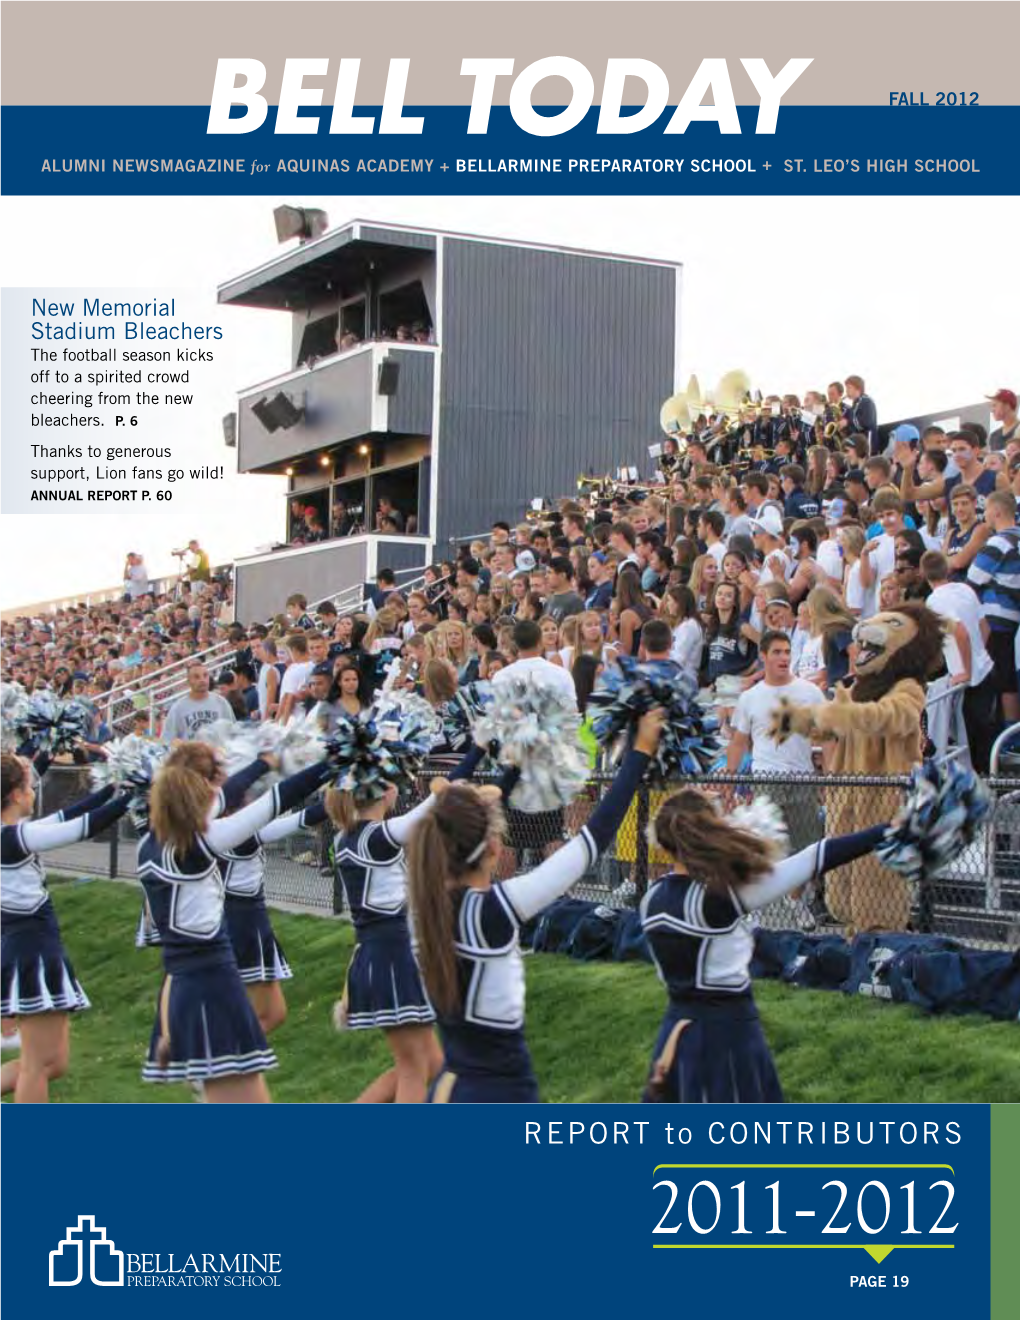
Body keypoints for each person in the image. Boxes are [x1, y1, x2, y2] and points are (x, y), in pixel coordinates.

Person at [407, 712, 663, 1102]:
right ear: (494, 849)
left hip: (450, 1087)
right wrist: (639, 752)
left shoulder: (426, 908)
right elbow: (591, 840)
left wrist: (512, 766)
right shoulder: (491, 912)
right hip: (497, 1094)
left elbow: (464, 807)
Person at [639, 789, 890, 1103]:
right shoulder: (718, 899)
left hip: (675, 1031)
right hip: (728, 1034)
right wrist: (887, 830)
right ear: (709, 833)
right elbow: (816, 858)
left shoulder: (651, 899)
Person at [138, 742, 330, 1101]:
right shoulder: (200, 842)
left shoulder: (149, 845)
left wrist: (262, 763)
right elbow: (277, 799)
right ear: (199, 793)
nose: (219, 793)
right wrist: (334, 762)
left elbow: (226, 797)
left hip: (190, 985)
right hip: (210, 987)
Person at [328, 745, 491, 1102]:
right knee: (415, 1067)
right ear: (384, 791)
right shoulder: (376, 837)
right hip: (390, 958)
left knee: (431, 1062)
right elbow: (435, 803)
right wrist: (477, 748)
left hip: (378, 955)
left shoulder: (346, 837)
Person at [1, 755, 131, 1102]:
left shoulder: (14, 835)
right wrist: (137, 798)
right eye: (29, 787)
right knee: (36, 1065)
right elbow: (81, 828)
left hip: (36, 948)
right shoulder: (14, 837)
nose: (33, 793)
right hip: (31, 952)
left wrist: (112, 788)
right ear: (15, 795)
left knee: (53, 1062)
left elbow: (67, 817)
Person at [726, 631, 826, 852]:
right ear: (763, 656)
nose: (784, 658)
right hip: (766, 782)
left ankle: (807, 888)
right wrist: (729, 781)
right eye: (777, 652)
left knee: (806, 850)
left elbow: (828, 738)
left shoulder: (811, 692)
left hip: (803, 780)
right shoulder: (749, 697)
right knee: (769, 852)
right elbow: (738, 743)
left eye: (787, 652)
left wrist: (830, 779)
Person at [922, 550, 997, 772]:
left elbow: (960, 632)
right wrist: (979, 654)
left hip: (970, 680)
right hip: (986, 669)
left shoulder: (935, 601)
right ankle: (987, 781)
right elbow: (985, 628)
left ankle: (982, 787)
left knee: (971, 739)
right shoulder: (965, 589)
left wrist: (965, 669)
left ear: (924, 574)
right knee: (983, 736)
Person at [161, 662, 235, 742]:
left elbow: (233, 733)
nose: (202, 680)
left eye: (205, 675)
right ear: (188, 681)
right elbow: (167, 739)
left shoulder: (221, 702)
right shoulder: (178, 708)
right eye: (196, 677)